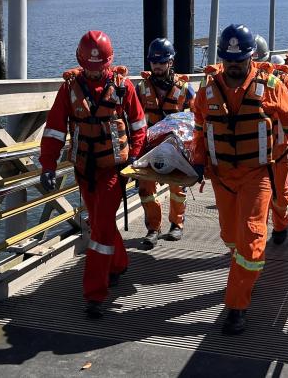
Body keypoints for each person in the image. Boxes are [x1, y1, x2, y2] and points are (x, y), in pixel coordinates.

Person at [192, 24, 288, 335]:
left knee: (250, 237)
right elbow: (198, 127)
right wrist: (196, 161)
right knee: (230, 237)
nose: (233, 65)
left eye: (239, 59)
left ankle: (236, 306)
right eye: (228, 59)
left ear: (250, 57)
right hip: (221, 177)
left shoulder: (272, 86)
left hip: (257, 175)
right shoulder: (207, 91)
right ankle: (245, 275)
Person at [39, 30, 147, 319]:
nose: (94, 71)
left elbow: (138, 126)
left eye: (99, 67)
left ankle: (95, 294)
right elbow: (54, 129)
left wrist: (135, 156)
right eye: (90, 66)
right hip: (84, 169)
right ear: (80, 61)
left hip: (114, 169)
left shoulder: (124, 87)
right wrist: (47, 165)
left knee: (98, 228)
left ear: (109, 62)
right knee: (103, 221)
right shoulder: (69, 89)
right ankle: (119, 263)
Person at [137, 38, 195, 247]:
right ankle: (153, 228)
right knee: (145, 188)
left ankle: (177, 225)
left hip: (175, 147)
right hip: (150, 147)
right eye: (154, 62)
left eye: (161, 62)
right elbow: (133, 117)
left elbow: (197, 118)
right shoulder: (141, 88)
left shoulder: (186, 88)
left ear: (171, 62)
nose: (157, 66)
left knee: (177, 187)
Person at [263, 54, 288, 244]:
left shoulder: (285, 82)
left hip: (279, 150)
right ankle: (258, 234)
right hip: (256, 153)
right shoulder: (250, 82)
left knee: (280, 195)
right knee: (256, 198)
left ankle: (280, 227)